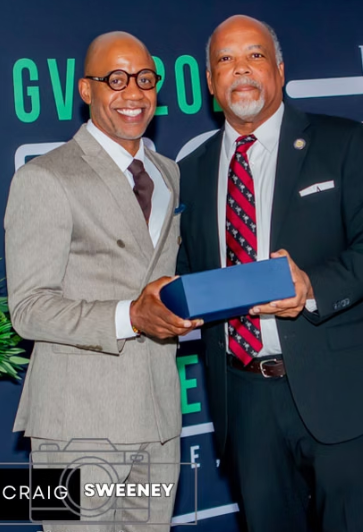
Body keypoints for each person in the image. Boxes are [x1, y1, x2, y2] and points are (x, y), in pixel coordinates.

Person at [177, 15, 363, 532]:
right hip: (244, 399)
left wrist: (311, 286)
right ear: (210, 82)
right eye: (225, 60)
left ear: (280, 70)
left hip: (337, 388)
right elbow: (188, 276)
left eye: (254, 55)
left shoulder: (342, 142)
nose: (241, 69)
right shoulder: (189, 171)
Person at [4, 31, 201, 531]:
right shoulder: (44, 177)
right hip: (74, 426)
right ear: (85, 89)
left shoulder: (168, 174)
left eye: (144, 79)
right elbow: (28, 309)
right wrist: (130, 316)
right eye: (115, 79)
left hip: (159, 420)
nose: (133, 92)